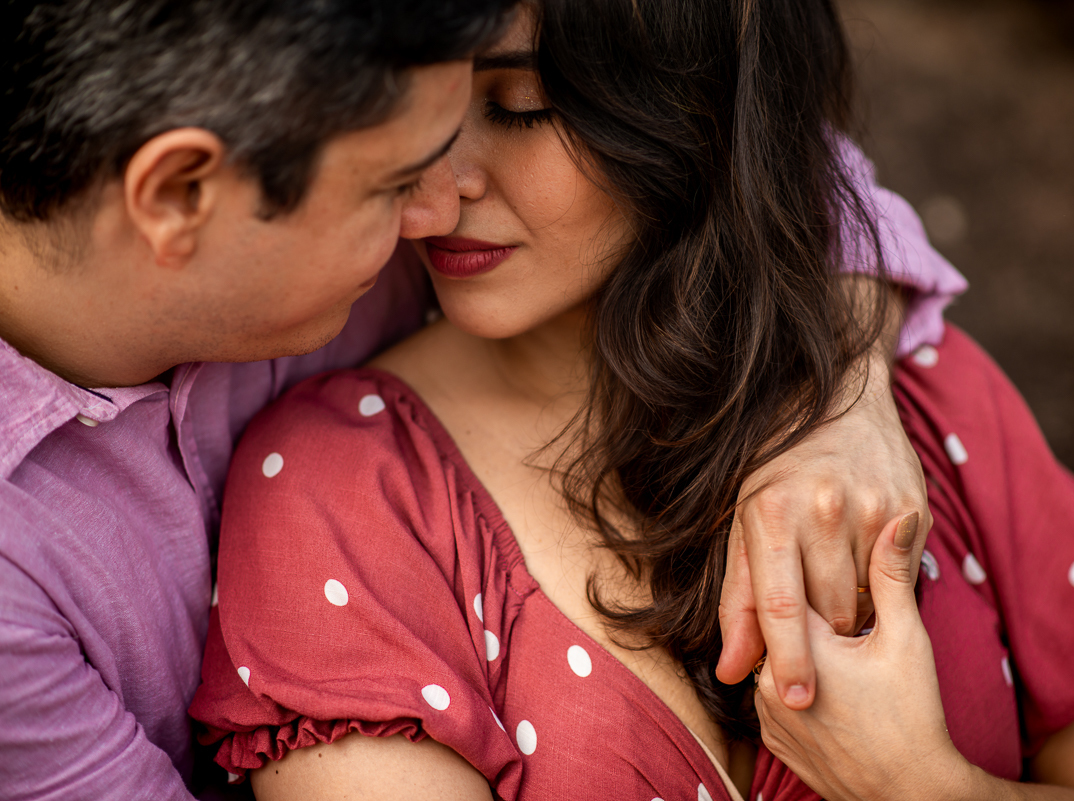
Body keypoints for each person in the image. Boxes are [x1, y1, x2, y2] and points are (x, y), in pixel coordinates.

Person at [189, 1, 1074, 799]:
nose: (439, 194)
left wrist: (926, 787)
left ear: (684, 105)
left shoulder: (918, 390)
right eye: (424, 120)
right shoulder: (336, 492)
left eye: (523, 105)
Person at [0, 1, 963, 798]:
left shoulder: (338, 218)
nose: (436, 210)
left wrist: (839, 400)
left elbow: (739, 140)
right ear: (176, 199)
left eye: (505, 107)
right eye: (389, 185)